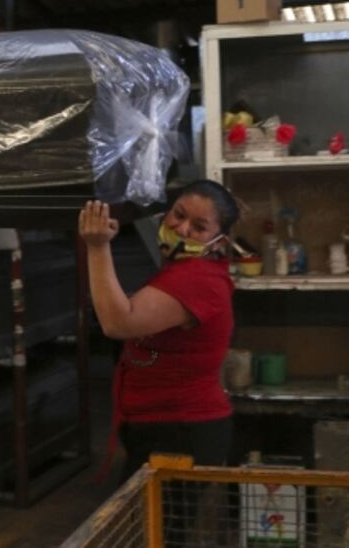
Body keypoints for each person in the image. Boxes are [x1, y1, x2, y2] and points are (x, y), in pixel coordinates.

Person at [79, 179, 239, 540]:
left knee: (153, 536)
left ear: (219, 242)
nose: (181, 229)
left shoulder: (198, 279)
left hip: (181, 432)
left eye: (199, 227)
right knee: (150, 534)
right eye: (178, 215)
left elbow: (118, 322)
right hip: (163, 428)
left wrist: (97, 246)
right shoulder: (181, 271)